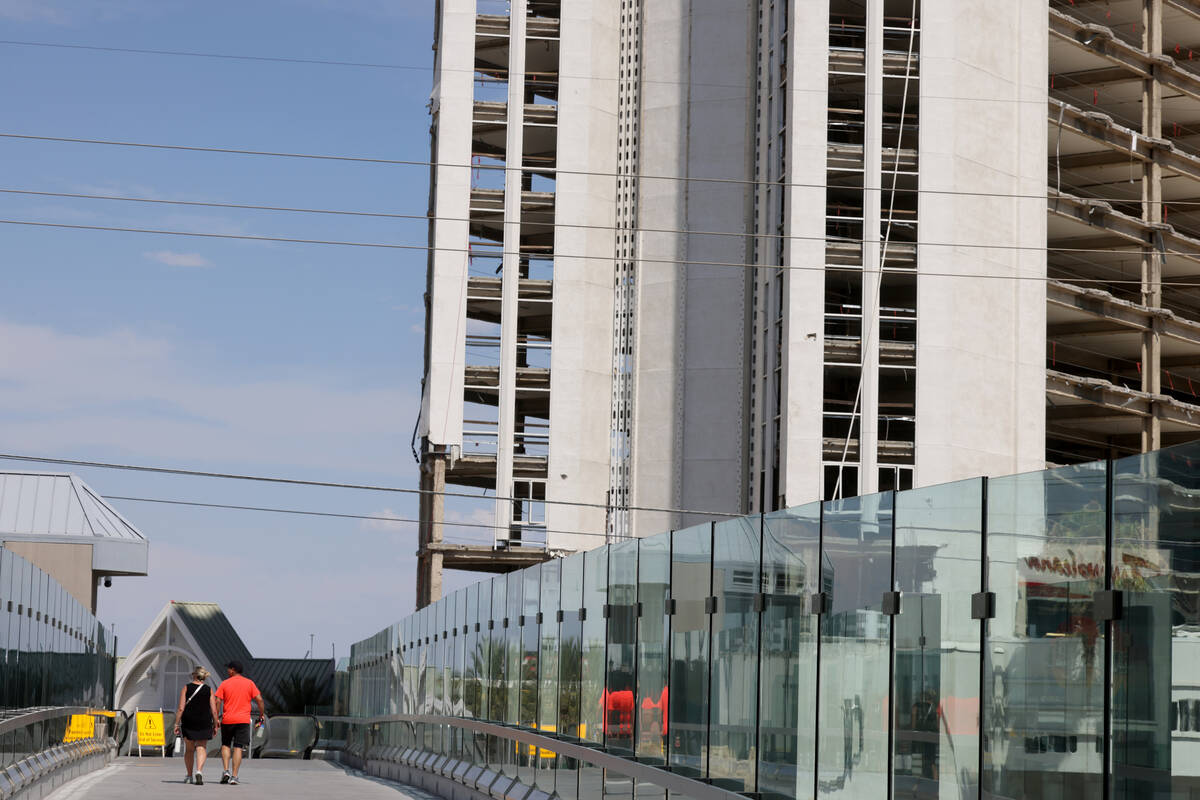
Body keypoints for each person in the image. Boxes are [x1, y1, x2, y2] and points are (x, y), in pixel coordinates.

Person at [214, 660, 267, 785]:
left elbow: (217, 701)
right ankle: (234, 776)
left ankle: (226, 771)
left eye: (228, 669)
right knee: (238, 747)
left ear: (233, 670)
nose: (227, 671)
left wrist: (216, 717)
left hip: (228, 719)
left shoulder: (225, 683)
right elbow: (260, 700)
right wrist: (261, 715)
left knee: (226, 745)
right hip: (243, 720)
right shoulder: (249, 683)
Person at [174, 665, 218, 785]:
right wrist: (215, 724)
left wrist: (176, 724)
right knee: (201, 747)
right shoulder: (208, 689)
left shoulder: (186, 688)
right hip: (204, 721)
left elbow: (181, 708)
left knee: (189, 750)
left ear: (194, 675)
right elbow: (214, 710)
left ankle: (189, 776)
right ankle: (199, 771)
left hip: (189, 721)